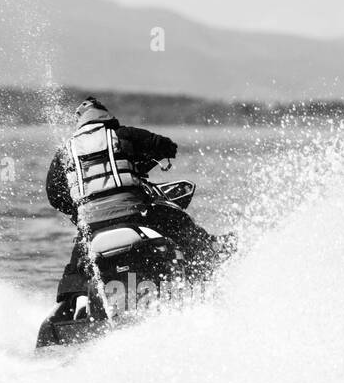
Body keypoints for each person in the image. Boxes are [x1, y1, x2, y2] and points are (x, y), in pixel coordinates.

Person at [45, 97, 230, 306]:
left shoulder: (65, 152)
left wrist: (79, 206)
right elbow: (167, 147)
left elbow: (54, 195)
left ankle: (70, 302)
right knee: (177, 219)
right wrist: (137, 163)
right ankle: (208, 254)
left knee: (78, 259)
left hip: (92, 226)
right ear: (106, 117)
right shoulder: (124, 135)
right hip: (134, 215)